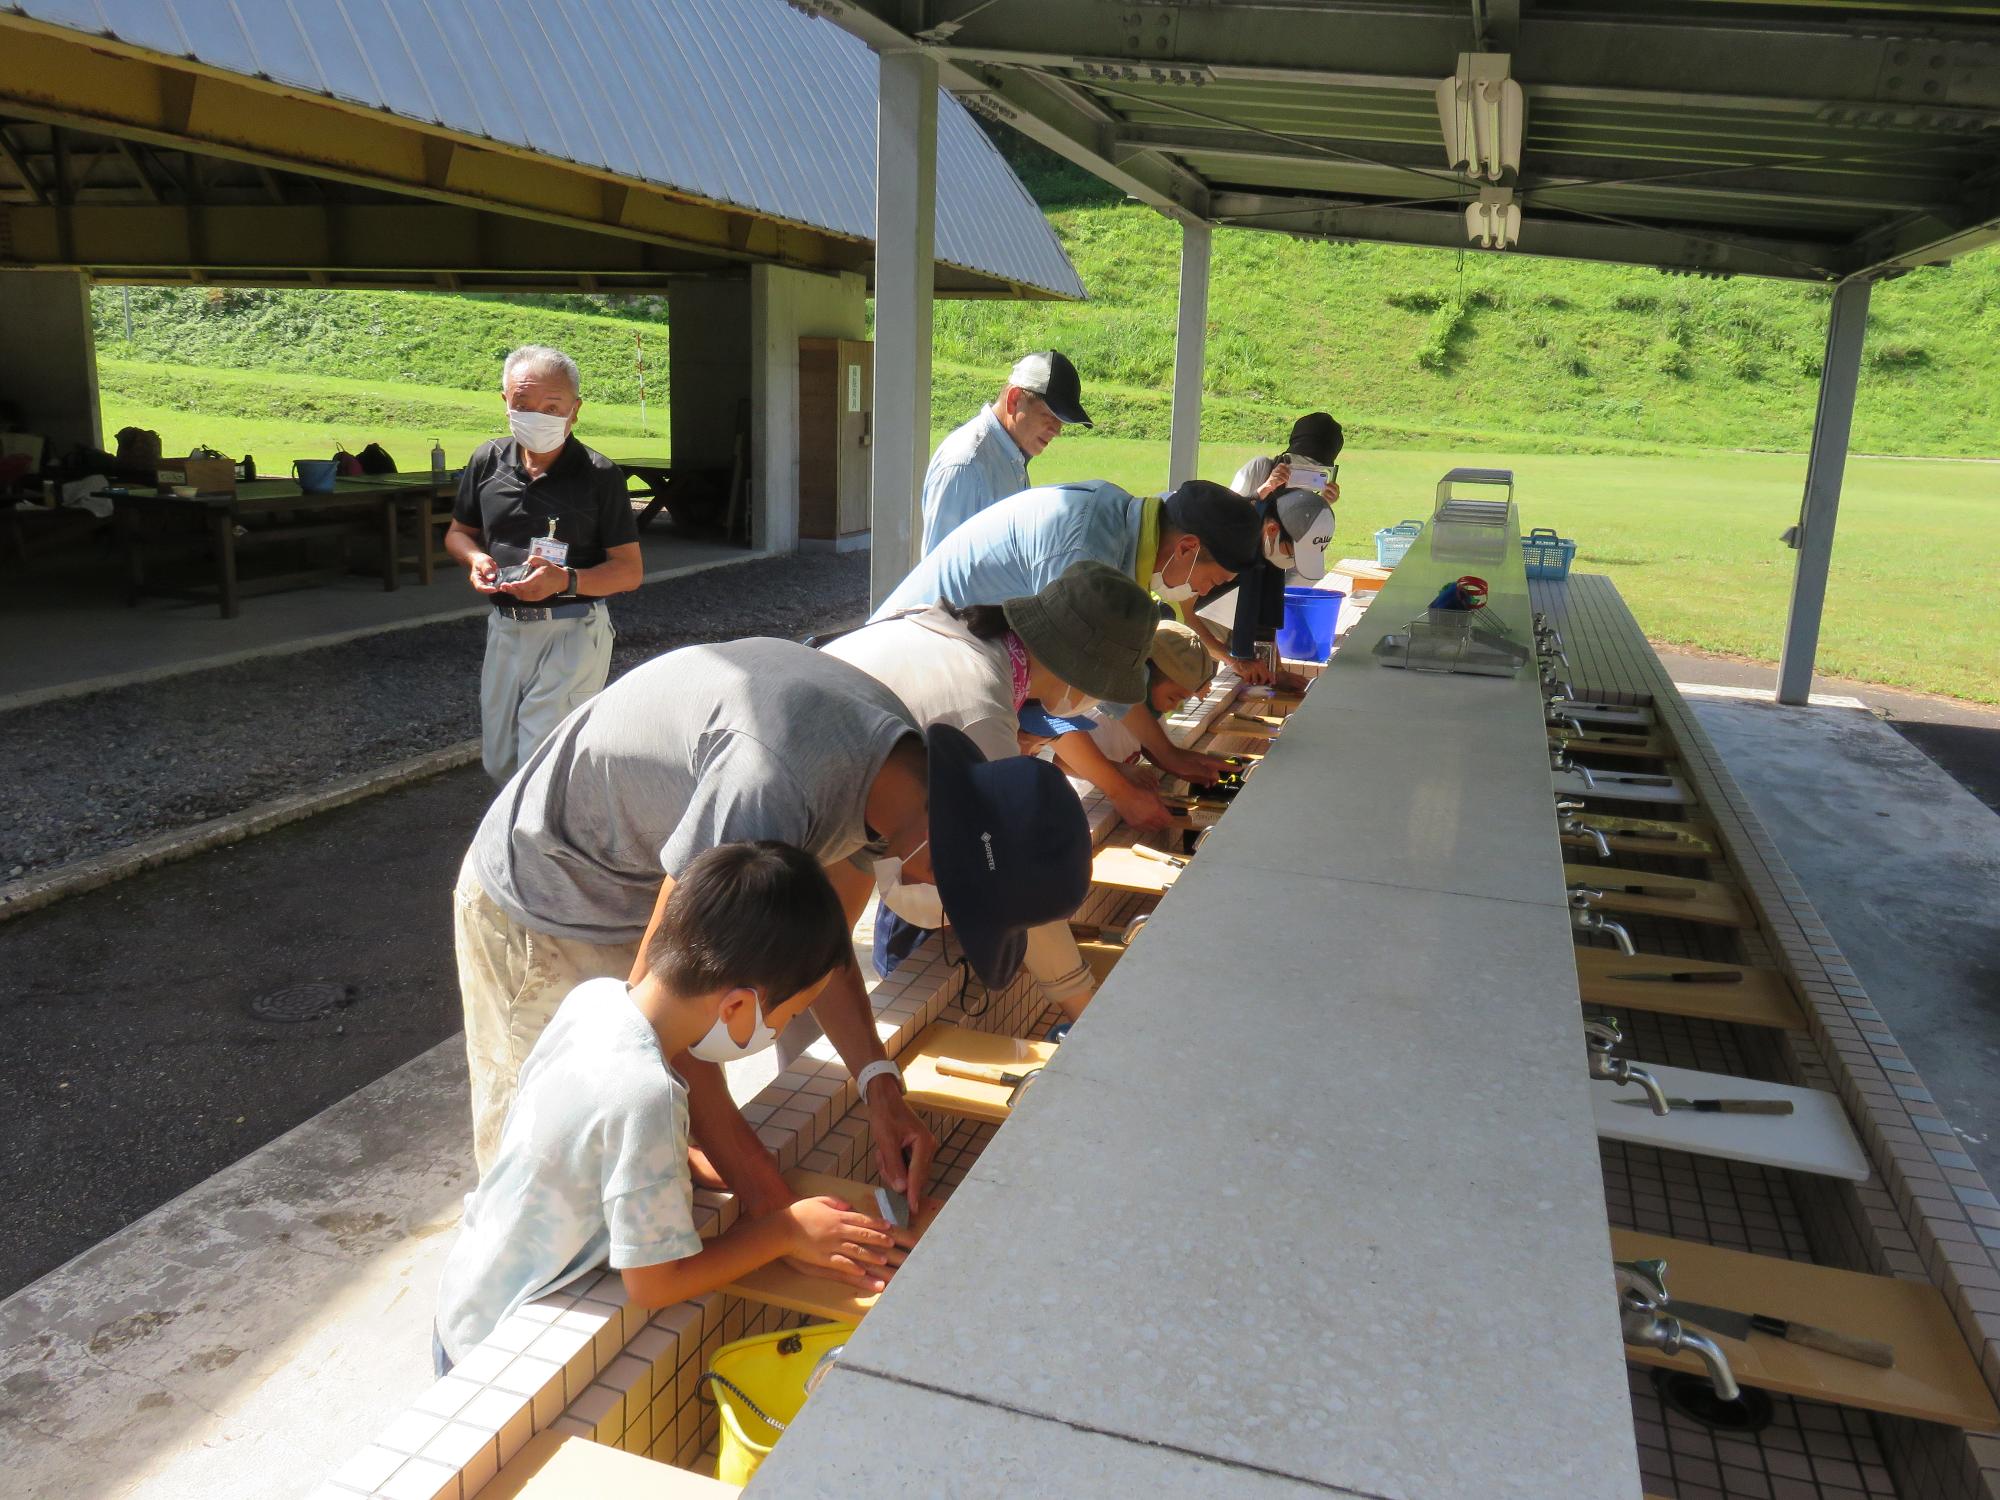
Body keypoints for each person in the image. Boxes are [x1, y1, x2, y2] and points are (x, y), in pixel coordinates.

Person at [452, 636, 1092, 1238]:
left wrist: (878, 1084)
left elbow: (817, 948)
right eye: (958, 900)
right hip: (551, 892)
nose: (943, 908)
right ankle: (480, 1343)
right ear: (941, 844)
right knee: (545, 1172)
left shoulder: (889, 776)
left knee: (641, 1152)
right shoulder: (771, 784)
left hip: (649, 877)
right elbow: (665, 1008)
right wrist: (771, 1207)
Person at [434, 842, 914, 1375]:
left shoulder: (595, 1001)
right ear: (737, 1006)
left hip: (466, 1288)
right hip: (491, 1344)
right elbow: (655, 1284)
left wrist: (677, 1165)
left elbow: (577, 1138)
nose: (780, 1029)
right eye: (791, 1013)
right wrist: (786, 1230)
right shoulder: (647, 1094)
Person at [826, 560, 1158, 1013]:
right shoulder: (979, 709)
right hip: (802, 790)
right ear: (1079, 672)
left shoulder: (967, 637)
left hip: (836, 787)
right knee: (789, 965)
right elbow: (1015, 877)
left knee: (811, 964)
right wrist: (1080, 1003)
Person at [871, 478, 1262, 785]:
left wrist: (1167, 754)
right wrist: (1118, 787)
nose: (1205, 591)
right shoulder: (1085, 553)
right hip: (908, 673)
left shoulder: (1121, 527)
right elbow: (1059, 689)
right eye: (1214, 580)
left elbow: (1103, 687)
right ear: (1187, 548)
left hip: (949, 658)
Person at [446, 345, 643, 784]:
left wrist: (567, 578)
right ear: (505, 402)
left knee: (542, 764)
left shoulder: (599, 475)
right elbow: (459, 532)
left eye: (552, 406)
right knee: (500, 761)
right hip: (506, 628)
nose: (537, 415)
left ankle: (538, 848)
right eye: (523, 404)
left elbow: (629, 570)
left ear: (575, 410)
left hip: (572, 630)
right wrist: (475, 558)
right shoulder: (487, 462)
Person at [919, 350, 1090, 556]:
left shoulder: (1011, 455)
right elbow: (941, 574)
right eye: (1050, 416)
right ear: (1014, 399)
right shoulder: (966, 466)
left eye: (1061, 421)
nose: (1057, 430)